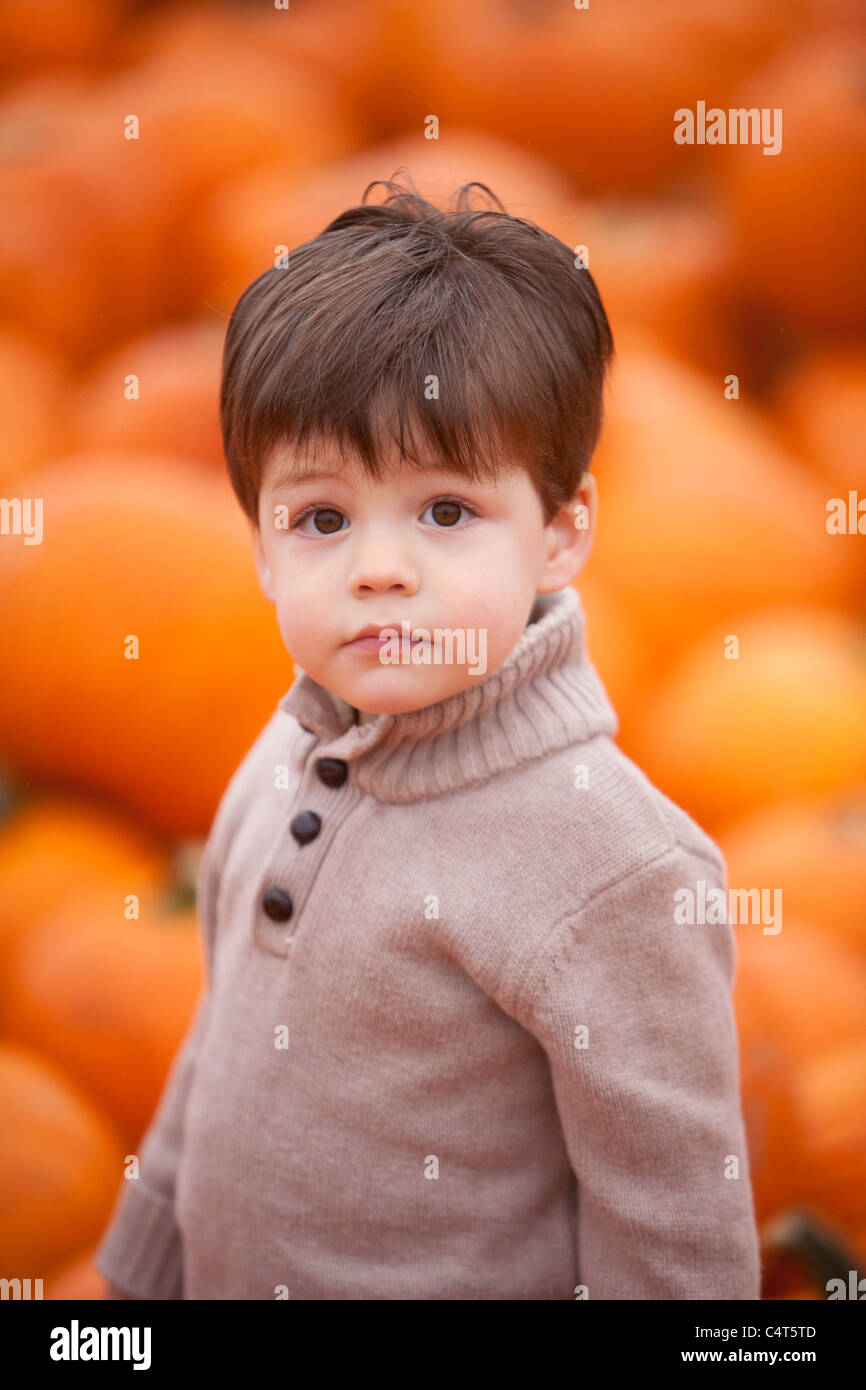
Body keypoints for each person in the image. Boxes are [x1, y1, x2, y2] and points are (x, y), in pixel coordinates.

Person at [97, 176, 761, 1300]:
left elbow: (674, 1232)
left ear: (559, 533)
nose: (378, 566)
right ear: (258, 547)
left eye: (445, 511)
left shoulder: (614, 869)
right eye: (320, 518)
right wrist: (136, 1282)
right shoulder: (282, 756)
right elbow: (216, 1050)